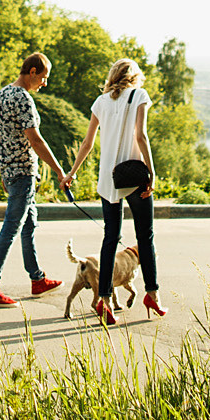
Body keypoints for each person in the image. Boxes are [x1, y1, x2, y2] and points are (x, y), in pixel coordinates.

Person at [66, 57, 166, 326]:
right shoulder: (139, 95)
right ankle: (152, 295)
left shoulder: (101, 102)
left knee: (110, 238)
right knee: (145, 237)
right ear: (135, 77)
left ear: (113, 76)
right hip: (133, 176)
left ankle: (105, 300)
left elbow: (87, 142)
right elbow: (140, 136)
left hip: (109, 179)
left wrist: (72, 173)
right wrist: (152, 172)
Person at [0, 52, 72, 308]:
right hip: (23, 174)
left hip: (11, 172)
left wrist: (3, 169)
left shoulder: (2, 94)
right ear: (32, 72)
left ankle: (37, 279)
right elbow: (36, 140)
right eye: (43, 77)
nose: (45, 83)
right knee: (11, 228)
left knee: (28, 226)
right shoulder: (22, 98)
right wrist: (59, 171)